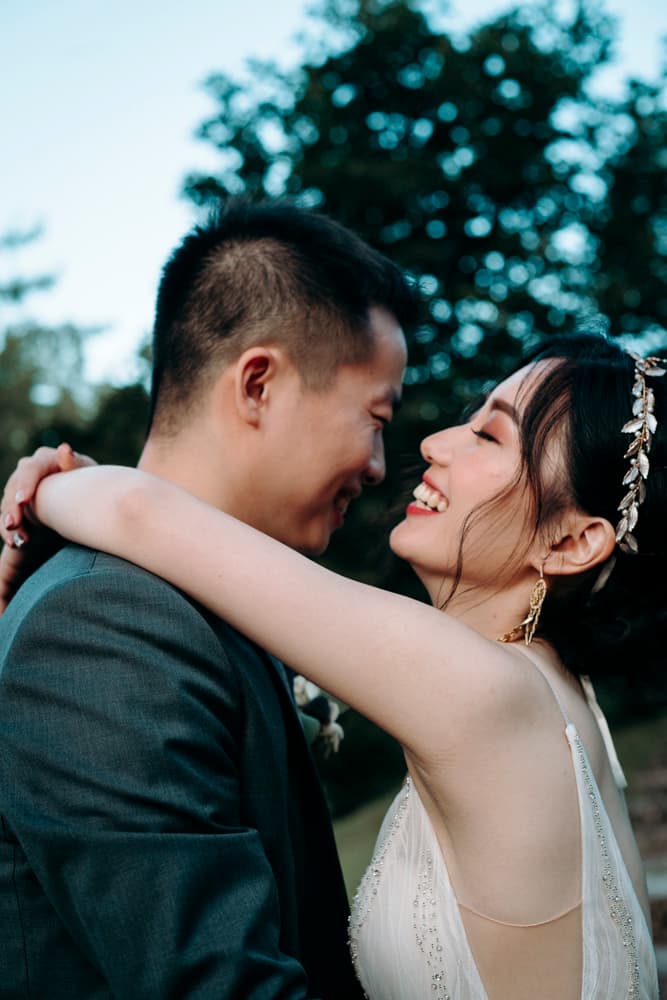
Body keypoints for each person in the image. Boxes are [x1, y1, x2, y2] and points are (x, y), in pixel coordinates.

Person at [2, 332, 661, 999]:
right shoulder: (557, 699)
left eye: (489, 437)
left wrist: (49, 492)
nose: (435, 443)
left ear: (573, 541)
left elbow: (136, 510)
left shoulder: (485, 690)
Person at [0, 199, 419, 998]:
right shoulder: (104, 624)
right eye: (375, 419)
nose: (376, 465)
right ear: (257, 383)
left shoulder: (198, 603)